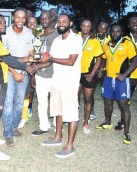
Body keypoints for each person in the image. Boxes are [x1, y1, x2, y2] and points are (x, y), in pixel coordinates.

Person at [0, 14, 36, 160]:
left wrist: (27, 63)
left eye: (2, 21)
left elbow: (10, 58)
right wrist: (27, 67)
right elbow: (8, 59)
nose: (2, 24)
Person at [38, 13, 82, 159]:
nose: (61, 23)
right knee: (58, 110)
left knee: (71, 113)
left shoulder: (76, 39)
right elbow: (50, 60)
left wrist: (50, 58)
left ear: (70, 24)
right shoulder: (56, 40)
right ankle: (58, 137)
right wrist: (35, 65)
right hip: (56, 80)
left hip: (70, 82)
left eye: (64, 21)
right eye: (59, 21)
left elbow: (71, 61)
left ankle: (70, 146)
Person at [96, 23, 137, 144]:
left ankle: (126, 133)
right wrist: (101, 69)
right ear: (110, 32)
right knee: (108, 101)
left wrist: (124, 75)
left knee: (123, 105)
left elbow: (135, 61)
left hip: (122, 79)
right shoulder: (107, 44)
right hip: (108, 79)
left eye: (118, 31)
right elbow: (105, 58)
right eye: (113, 31)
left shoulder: (127, 43)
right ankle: (108, 123)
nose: (115, 33)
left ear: (122, 32)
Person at [1, 7, 35, 147]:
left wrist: (24, 70)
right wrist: (15, 72)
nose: (20, 20)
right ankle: (8, 133)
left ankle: (13, 127)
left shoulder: (29, 32)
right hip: (9, 72)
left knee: (19, 103)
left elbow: (31, 52)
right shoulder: (6, 33)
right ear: (13, 18)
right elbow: (4, 57)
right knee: (8, 103)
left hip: (24, 73)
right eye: (17, 17)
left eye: (23, 17)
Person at [114, 16, 137, 135]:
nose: (135, 23)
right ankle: (122, 121)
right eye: (132, 22)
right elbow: (118, 54)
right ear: (129, 26)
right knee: (125, 101)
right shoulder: (124, 39)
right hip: (129, 75)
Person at [31, 10, 60, 136]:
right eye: (42, 19)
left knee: (56, 101)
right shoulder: (37, 33)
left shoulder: (58, 33)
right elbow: (33, 53)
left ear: (51, 19)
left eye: (46, 18)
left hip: (55, 74)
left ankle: (56, 125)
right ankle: (43, 126)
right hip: (40, 74)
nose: (44, 21)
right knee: (41, 101)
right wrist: (33, 74)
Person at [78, 18, 103, 134]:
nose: (85, 28)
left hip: (88, 74)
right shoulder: (75, 37)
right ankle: (73, 118)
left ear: (91, 27)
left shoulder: (95, 41)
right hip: (75, 73)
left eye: (88, 26)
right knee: (74, 98)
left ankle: (86, 122)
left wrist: (92, 74)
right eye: (84, 25)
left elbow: (99, 59)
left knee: (88, 99)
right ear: (81, 26)